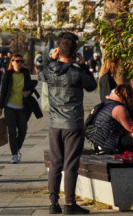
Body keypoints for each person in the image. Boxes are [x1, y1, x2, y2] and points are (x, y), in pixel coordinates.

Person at [39, 32, 96, 215]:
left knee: (55, 164)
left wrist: (51, 60)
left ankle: (53, 203)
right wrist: (83, 65)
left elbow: (41, 75)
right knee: (70, 164)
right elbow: (91, 85)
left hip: (55, 124)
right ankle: (70, 204)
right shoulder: (76, 72)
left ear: (58, 50)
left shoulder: (50, 70)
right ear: (74, 52)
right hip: (73, 123)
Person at [89, 83, 133, 159]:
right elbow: (131, 129)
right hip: (108, 142)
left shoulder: (108, 103)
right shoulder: (119, 108)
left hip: (100, 140)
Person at [0, 53, 36, 164]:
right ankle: (14, 155)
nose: (19, 63)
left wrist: (29, 92)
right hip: (9, 107)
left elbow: (31, 87)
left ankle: (17, 148)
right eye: (17, 61)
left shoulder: (26, 73)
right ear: (12, 62)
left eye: (21, 61)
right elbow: (3, 92)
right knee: (12, 132)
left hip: (23, 108)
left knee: (23, 130)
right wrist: (0, 107)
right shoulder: (8, 75)